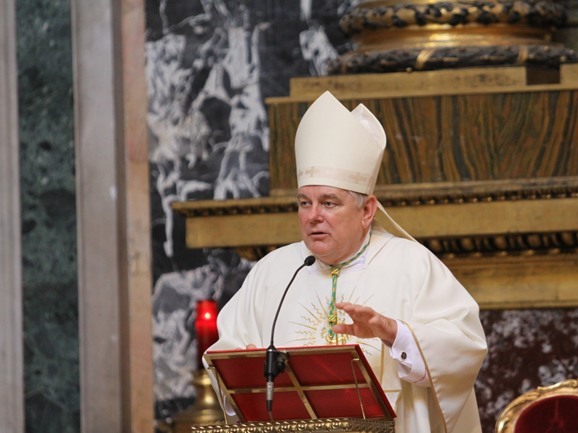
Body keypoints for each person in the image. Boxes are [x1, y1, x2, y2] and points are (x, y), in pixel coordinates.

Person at [204, 91, 488, 433]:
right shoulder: (274, 271)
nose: (313, 217)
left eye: (329, 203)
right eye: (304, 203)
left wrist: (395, 333)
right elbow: (227, 357)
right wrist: (243, 367)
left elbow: (465, 348)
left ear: (367, 210)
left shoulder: (412, 265)